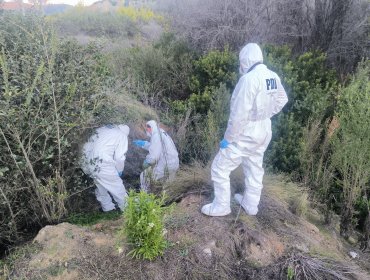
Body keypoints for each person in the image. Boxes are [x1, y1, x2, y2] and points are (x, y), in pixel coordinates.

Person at [201, 43, 288, 217]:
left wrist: (228, 138)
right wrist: (265, 114)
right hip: (264, 129)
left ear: (245, 60)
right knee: (254, 167)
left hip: (246, 131)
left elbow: (238, 115)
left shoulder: (248, 79)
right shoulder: (272, 76)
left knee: (220, 168)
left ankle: (222, 206)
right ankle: (250, 204)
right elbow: (282, 99)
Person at [81, 124, 130, 212]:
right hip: (103, 164)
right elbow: (119, 157)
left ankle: (108, 209)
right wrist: (119, 170)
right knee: (118, 188)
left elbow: (86, 147)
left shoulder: (102, 129)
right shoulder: (121, 135)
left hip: (90, 162)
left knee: (100, 187)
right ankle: (128, 210)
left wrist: (85, 166)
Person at [133, 120, 179, 192]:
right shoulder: (161, 133)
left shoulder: (156, 135)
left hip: (166, 164)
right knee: (167, 187)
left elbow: (154, 156)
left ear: (151, 127)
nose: (146, 130)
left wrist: (147, 162)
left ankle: (144, 198)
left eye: (147, 128)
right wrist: (144, 144)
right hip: (175, 163)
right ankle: (167, 201)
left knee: (144, 176)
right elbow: (156, 147)